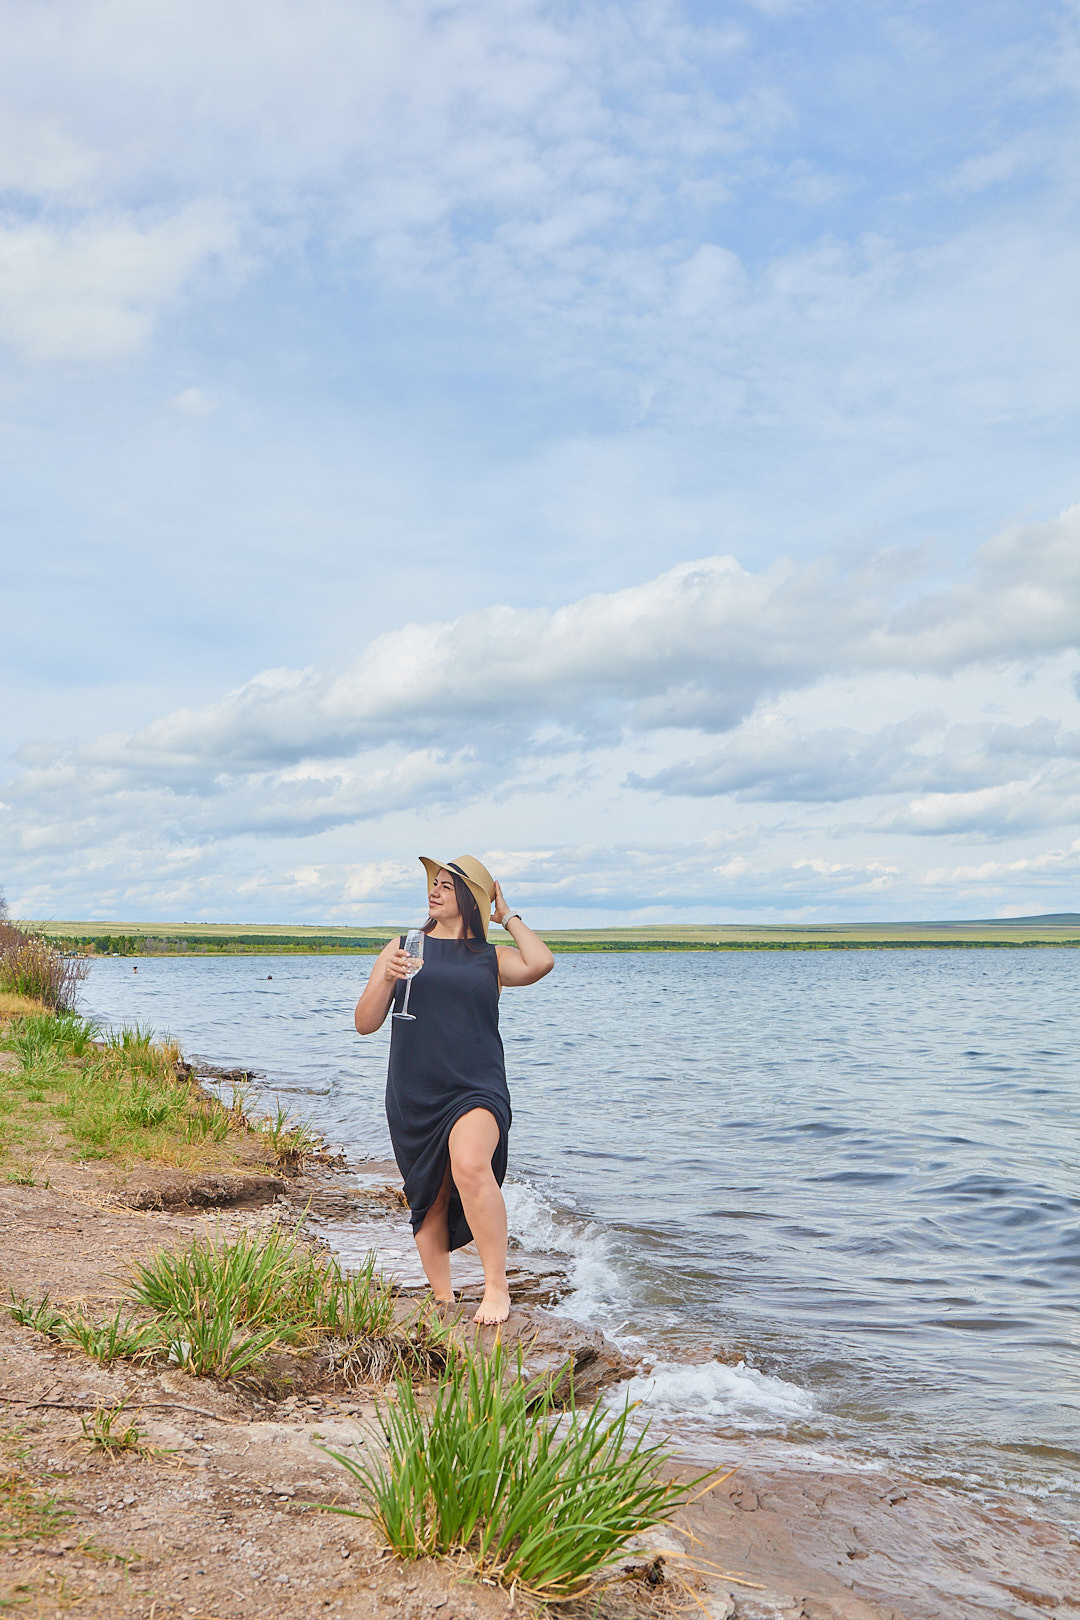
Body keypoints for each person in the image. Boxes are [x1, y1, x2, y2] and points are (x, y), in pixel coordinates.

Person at [354, 855, 554, 1325]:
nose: (435, 891)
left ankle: (496, 1288)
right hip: (414, 1088)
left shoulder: (490, 958)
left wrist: (506, 914)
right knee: (430, 1192)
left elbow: (541, 962)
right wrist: (387, 976)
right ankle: (442, 1300)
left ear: (468, 899)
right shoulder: (402, 946)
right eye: (434, 883)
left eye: (446, 886)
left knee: (469, 1164)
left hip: (476, 1084)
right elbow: (365, 1024)